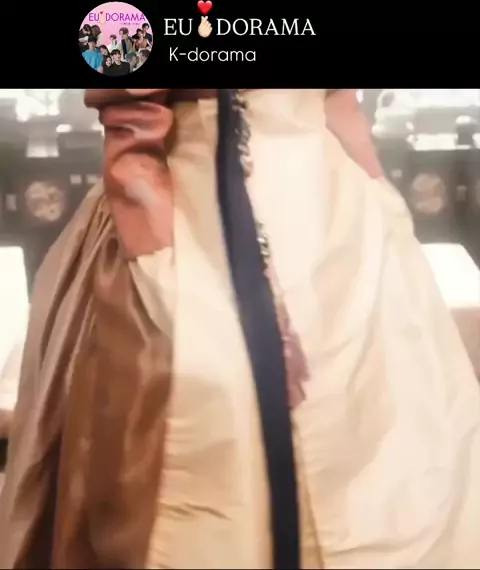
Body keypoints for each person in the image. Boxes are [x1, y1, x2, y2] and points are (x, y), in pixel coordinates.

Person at [2, 88, 480, 570]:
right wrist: (157, 256)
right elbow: (124, 91)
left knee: (400, 443)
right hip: (184, 216)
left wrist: (384, 203)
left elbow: (339, 103)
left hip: (341, 220)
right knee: (212, 424)